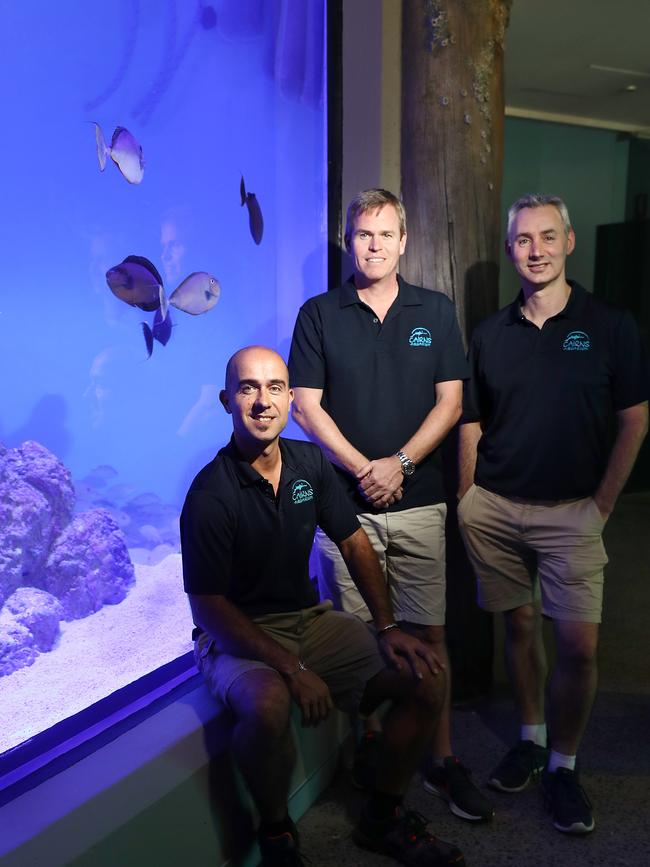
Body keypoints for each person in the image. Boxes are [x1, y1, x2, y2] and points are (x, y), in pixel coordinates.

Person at [180, 345, 466, 867]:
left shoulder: (309, 461)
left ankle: (382, 817)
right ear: (227, 400)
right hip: (235, 634)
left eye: (273, 388)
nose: (262, 402)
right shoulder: (210, 493)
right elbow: (209, 609)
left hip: (308, 622)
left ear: (291, 398)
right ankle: (276, 835)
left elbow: (354, 541)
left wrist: (387, 627)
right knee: (266, 705)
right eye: (247, 388)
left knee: (428, 676)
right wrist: (291, 669)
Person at [288, 188, 493, 823]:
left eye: (384, 235)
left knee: (428, 630)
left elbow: (451, 403)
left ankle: (442, 758)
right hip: (343, 508)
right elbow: (305, 404)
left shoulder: (435, 309)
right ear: (349, 242)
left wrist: (399, 464)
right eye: (362, 235)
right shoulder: (319, 313)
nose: (373, 246)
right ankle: (373, 754)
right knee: (360, 641)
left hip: (421, 501)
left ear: (404, 242)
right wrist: (362, 469)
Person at [458, 193, 649, 835]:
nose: (534, 250)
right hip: (497, 507)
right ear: (510, 248)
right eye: (521, 240)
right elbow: (473, 420)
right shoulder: (489, 333)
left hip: (573, 512)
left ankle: (565, 766)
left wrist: (602, 505)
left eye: (546, 237)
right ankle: (532, 739)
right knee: (517, 629)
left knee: (579, 644)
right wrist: (466, 500)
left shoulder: (611, 324)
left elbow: (634, 419)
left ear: (569, 242)